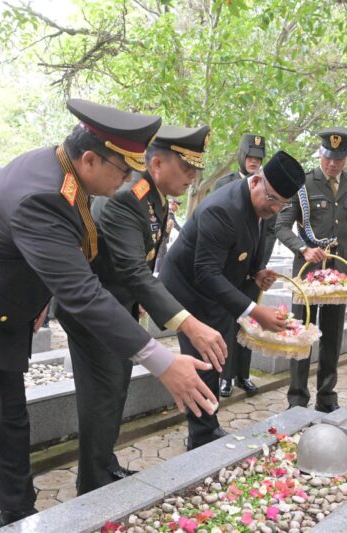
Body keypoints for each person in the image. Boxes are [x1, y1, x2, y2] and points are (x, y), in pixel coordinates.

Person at [0, 100, 217, 532]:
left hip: (3, 319)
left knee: (11, 424)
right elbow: (82, 293)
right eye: (122, 170)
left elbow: (49, 256)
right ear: (90, 160)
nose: (126, 180)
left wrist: (37, 300)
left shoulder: (60, 171)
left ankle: (17, 513)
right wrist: (162, 361)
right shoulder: (45, 194)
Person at [67, 124, 227, 495]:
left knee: (115, 388)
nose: (192, 176)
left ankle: (104, 466)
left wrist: (136, 302)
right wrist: (188, 324)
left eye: (196, 169)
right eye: (186, 167)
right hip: (94, 311)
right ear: (156, 164)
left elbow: (141, 260)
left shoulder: (153, 196)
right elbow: (133, 271)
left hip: (118, 306)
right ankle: (92, 486)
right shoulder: (128, 196)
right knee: (103, 394)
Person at [160, 151, 306, 449]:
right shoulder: (222, 209)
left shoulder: (262, 207)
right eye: (272, 199)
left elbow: (240, 250)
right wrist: (255, 311)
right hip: (189, 291)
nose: (275, 208)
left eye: (282, 204)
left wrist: (255, 273)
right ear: (256, 180)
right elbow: (206, 272)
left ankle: (208, 427)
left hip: (215, 290)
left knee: (215, 358)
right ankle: (201, 437)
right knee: (205, 361)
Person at [274, 127, 347, 412]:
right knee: (301, 335)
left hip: (339, 275)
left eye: (338, 159)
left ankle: (327, 397)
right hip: (307, 273)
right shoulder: (302, 184)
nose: (331, 164)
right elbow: (281, 225)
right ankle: (297, 398)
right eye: (327, 157)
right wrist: (303, 248)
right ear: (319, 153)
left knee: (333, 335)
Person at [214, 134, 271, 397]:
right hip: (228, 269)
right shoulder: (224, 184)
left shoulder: (267, 187)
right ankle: (225, 376)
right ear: (242, 156)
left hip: (253, 269)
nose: (253, 162)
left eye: (258, 158)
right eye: (250, 157)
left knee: (249, 322)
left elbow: (268, 230)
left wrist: (260, 263)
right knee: (227, 323)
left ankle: (243, 375)